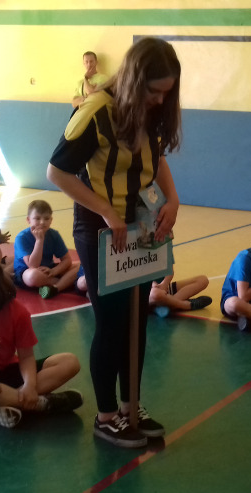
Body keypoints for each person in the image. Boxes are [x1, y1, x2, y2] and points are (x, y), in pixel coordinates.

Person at [47, 37, 182, 448]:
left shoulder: (151, 110)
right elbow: (57, 172)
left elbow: (156, 157)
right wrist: (106, 210)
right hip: (101, 229)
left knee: (137, 319)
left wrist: (172, 199)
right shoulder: (94, 112)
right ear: (134, 81)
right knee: (112, 322)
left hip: (141, 225)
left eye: (167, 92)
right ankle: (106, 415)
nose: (160, 100)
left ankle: (130, 405)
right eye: (154, 91)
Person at [0, 250, 83, 429]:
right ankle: (41, 403)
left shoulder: (17, 312)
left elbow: (26, 356)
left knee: (69, 362)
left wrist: (30, 385)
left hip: (7, 371)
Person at [13, 200, 80, 299]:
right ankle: (66, 283)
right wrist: (39, 241)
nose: (42, 222)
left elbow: (67, 260)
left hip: (48, 270)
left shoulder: (54, 234)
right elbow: (33, 265)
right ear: (28, 220)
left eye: (46, 218)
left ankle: (56, 287)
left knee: (81, 265)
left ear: (51, 220)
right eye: (37, 218)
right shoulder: (21, 237)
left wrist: (54, 271)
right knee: (33, 276)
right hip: (27, 272)